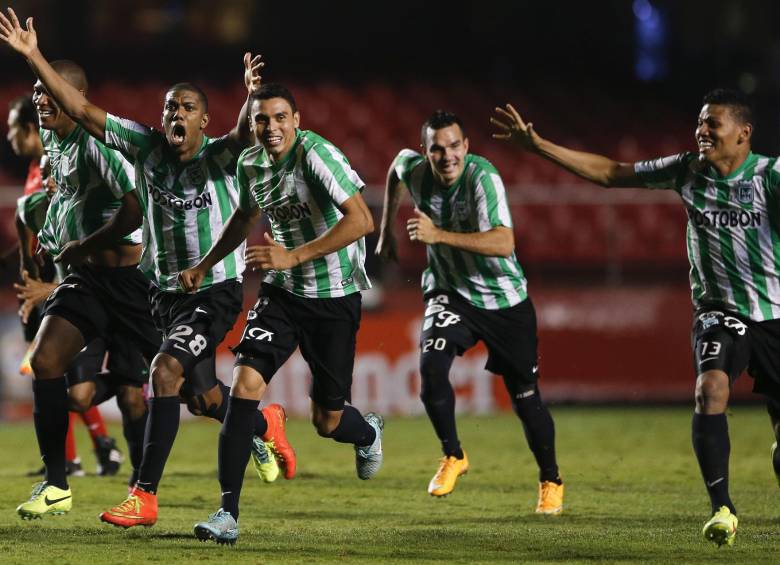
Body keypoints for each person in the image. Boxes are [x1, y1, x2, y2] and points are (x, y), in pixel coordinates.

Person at [0, 8, 294, 529]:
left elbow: (248, 136)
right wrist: (32, 55)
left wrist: (251, 97)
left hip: (192, 289)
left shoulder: (219, 157)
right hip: (143, 288)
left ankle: (171, 478)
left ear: (204, 119)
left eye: (187, 107)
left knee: (180, 385)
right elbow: (83, 109)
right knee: (57, 363)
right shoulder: (143, 146)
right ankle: (57, 482)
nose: (175, 114)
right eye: (169, 107)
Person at [490, 89, 780, 547]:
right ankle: (722, 507)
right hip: (719, 312)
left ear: (743, 133)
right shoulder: (686, 170)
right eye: (700, 122)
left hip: (775, 316)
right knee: (711, 388)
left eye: (713, 124)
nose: (702, 131)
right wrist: (538, 145)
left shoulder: (770, 175)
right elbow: (610, 173)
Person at [179, 82, 382, 544]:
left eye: (278, 118)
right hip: (283, 293)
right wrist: (205, 263)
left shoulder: (317, 155)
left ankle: (367, 434)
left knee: (328, 421)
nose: (270, 127)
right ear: (252, 124)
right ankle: (227, 513)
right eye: (261, 120)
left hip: (334, 294)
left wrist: (294, 255)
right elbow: (246, 218)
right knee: (245, 382)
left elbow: (362, 220)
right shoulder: (250, 162)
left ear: (297, 119)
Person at [376, 110, 564, 513]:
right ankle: (454, 455)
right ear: (425, 151)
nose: (446, 157)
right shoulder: (416, 169)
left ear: (467, 147)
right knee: (430, 369)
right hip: (450, 293)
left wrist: (437, 235)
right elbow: (395, 167)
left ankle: (550, 479)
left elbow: (503, 242)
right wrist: (386, 229)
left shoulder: (483, 178)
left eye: (454, 147)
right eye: (436, 149)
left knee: (526, 400)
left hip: (504, 302)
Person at [9, 95, 123, 479]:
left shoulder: (65, 163)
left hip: (83, 284)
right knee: (55, 372)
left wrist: (48, 286)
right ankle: (86, 453)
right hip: (58, 284)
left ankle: (90, 450)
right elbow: (36, 226)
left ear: (30, 128)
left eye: (13, 128)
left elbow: (81, 231)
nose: (9, 136)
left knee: (67, 377)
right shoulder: (37, 170)